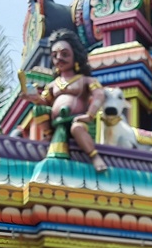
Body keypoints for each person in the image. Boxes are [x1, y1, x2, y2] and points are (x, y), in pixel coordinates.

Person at [21, 29, 107, 172]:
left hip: (77, 120)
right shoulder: (52, 85)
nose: (59, 58)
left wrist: (89, 115)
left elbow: (99, 95)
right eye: (55, 55)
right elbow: (45, 102)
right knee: (38, 109)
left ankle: (94, 157)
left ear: (75, 56)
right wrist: (35, 98)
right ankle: (49, 136)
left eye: (64, 54)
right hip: (56, 122)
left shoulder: (86, 80)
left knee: (76, 128)